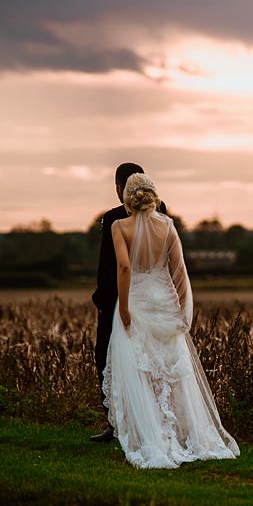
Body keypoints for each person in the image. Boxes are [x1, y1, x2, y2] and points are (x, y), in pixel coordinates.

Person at [102, 172, 240, 468]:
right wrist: (182, 309)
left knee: (141, 372)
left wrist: (124, 307)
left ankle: (152, 438)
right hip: (163, 302)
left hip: (136, 301)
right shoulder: (167, 227)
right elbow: (179, 271)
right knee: (172, 373)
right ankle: (181, 436)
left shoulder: (118, 226)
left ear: (127, 197)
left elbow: (124, 268)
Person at [90, 163, 168, 443]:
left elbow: (109, 266)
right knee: (150, 359)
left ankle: (116, 422)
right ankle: (150, 419)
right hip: (155, 300)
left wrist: (103, 300)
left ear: (121, 186)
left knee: (107, 358)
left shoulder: (114, 218)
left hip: (119, 302)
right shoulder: (161, 212)